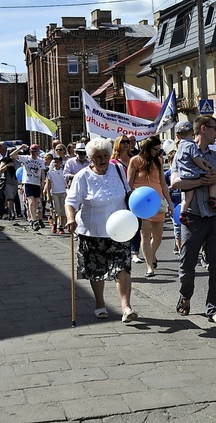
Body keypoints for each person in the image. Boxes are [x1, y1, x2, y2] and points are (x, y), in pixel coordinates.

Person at [65, 137, 137, 323]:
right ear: (91, 158)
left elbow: (128, 192)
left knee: (122, 267)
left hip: (120, 230)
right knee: (97, 271)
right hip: (92, 231)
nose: (103, 159)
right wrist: (71, 219)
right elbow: (71, 202)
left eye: (105, 155)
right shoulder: (82, 176)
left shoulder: (119, 170)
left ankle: (125, 306)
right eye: (98, 157)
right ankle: (100, 303)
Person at [171, 115, 216, 326]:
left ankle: (213, 309)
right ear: (204, 129)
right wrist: (200, 181)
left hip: (215, 216)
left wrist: (215, 180)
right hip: (192, 217)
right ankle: (185, 295)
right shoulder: (183, 151)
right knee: (187, 263)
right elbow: (175, 183)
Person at [127, 135, 171, 278]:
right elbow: (129, 183)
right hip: (141, 203)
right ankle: (149, 267)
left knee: (158, 236)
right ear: (148, 148)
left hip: (157, 201)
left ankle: (151, 255)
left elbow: (163, 183)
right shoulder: (135, 161)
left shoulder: (159, 160)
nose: (158, 152)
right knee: (145, 235)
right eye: (156, 149)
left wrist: (170, 203)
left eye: (159, 149)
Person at [175, 121, 216, 224]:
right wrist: (205, 167)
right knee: (212, 179)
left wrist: (204, 162)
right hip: (194, 172)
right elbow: (196, 159)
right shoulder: (191, 145)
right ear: (192, 133)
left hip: (184, 175)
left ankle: (183, 213)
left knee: (187, 198)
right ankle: (212, 198)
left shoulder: (180, 146)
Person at [11, 144, 46, 231]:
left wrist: (43, 182)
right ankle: (34, 221)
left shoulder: (41, 160)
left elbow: (42, 172)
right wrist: (20, 148)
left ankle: (33, 219)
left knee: (36, 203)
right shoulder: (26, 158)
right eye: (33, 152)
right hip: (28, 182)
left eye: (36, 152)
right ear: (30, 151)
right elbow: (12, 155)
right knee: (31, 202)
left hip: (36, 183)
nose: (34, 154)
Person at [44, 156, 67, 234]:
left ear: (61, 163)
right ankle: (54, 224)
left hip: (63, 192)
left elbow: (67, 183)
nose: (56, 164)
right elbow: (48, 184)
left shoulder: (64, 171)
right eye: (54, 162)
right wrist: (48, 195)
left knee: (63, 211)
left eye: (57, 162)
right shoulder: (51, 172)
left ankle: (61, 226)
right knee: (56, 210)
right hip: (55, 193)